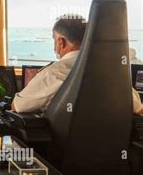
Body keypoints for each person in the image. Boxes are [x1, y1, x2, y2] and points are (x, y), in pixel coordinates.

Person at [12, 14, 143, 115]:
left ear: (61, 42)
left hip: (60, 148)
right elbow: (138, 109)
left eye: (54, 40)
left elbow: (18, 106)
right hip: (113, 149)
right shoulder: (113, 73)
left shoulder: (54, 72)